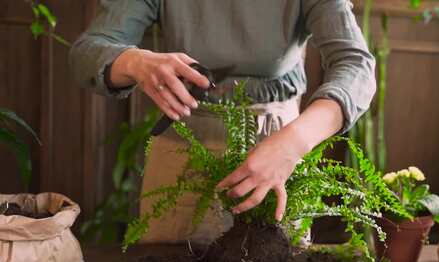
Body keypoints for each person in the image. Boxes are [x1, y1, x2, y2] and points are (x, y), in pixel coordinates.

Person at [70, 0, 376, 244]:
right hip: (182, 155)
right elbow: (88, 51)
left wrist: (294, 142)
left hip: (278, 155)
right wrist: (134, 61)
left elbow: (356, 66)